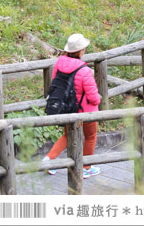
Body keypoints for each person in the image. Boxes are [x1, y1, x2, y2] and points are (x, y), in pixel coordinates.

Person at [42, 33, 101, 179]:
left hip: (67, 107)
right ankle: (86, 167)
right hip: (85, 111)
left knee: (68, 134)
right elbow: (93, 97)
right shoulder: (84, 70)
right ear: (81, 51)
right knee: (90, 136)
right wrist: (97, 101)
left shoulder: (59, 63)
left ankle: (49, 160)